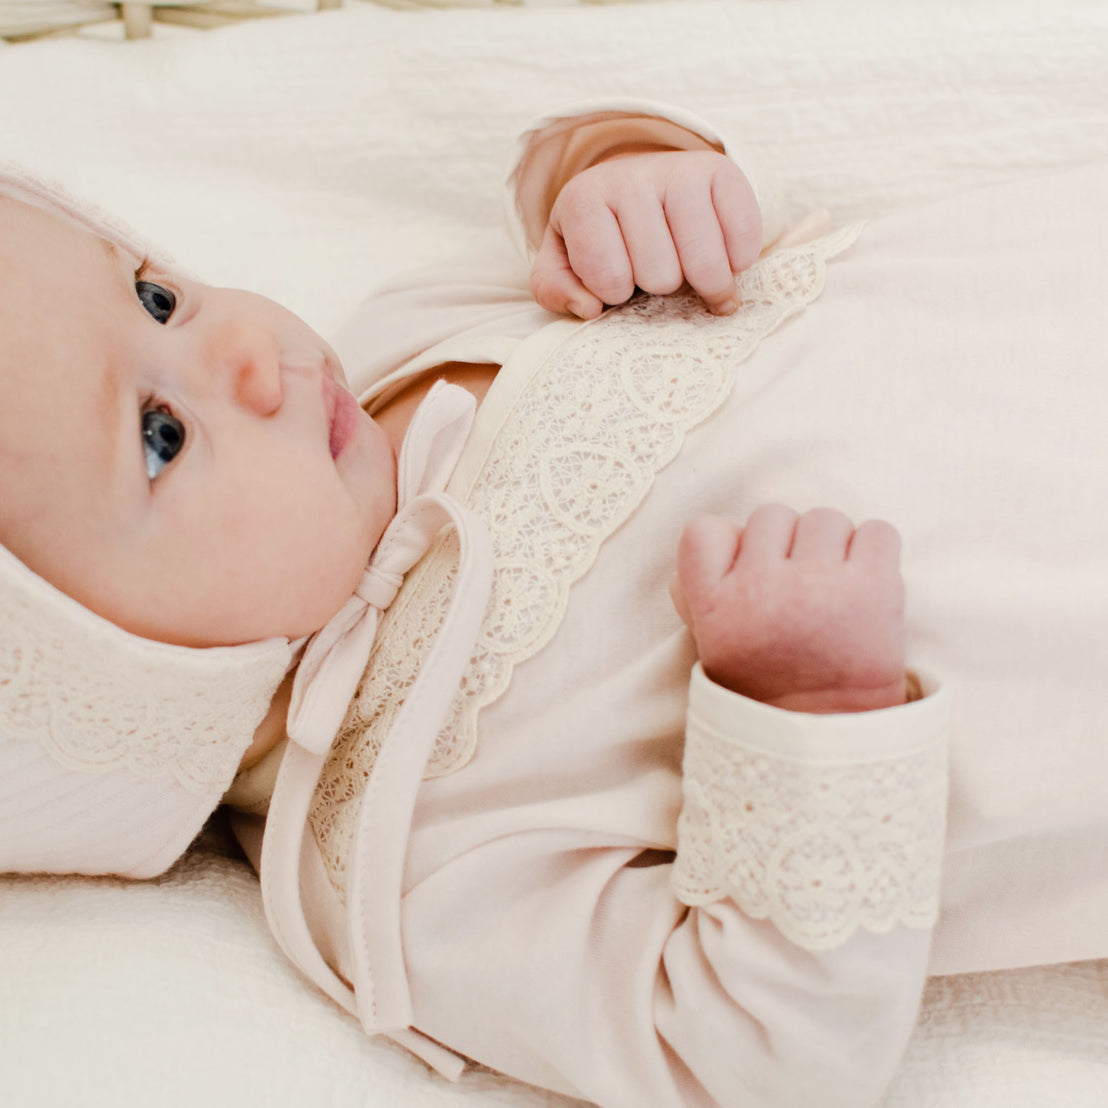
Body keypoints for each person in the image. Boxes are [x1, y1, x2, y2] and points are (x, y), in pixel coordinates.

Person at [0, 102, 1105, 1107]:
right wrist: (806, 709)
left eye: (155, 295)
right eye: (161, 437)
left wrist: (621, 174)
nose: (238, 348)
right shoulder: (399, 869)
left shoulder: (400, 347)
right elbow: (741, 1055)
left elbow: (561, 194)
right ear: (113, 685)